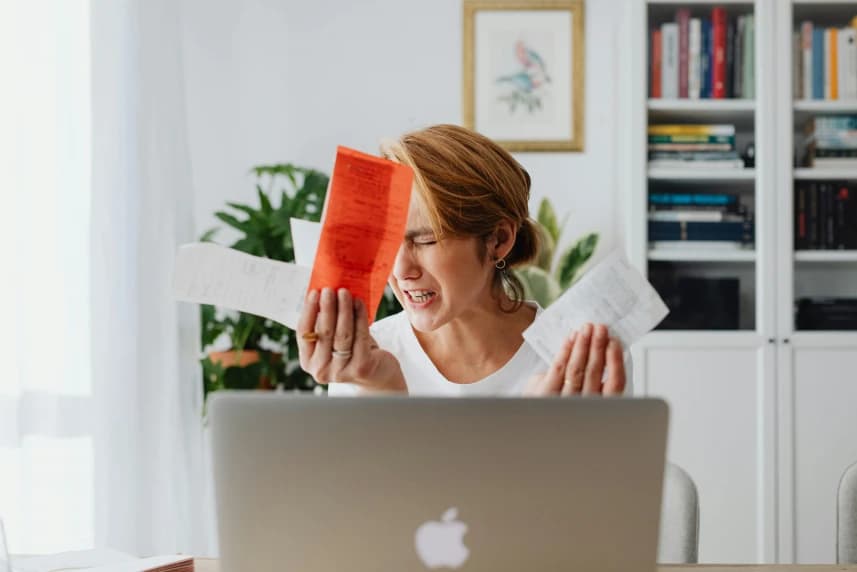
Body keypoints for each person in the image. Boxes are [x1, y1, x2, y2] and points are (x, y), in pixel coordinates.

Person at [297, 124, 627, 396]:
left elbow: (618, 476)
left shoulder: (577, 360)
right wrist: (382, 392)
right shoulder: (364, 359)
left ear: (498, 240)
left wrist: (553, 438)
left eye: (425, 239)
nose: (400, 271)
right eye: (388, 244)